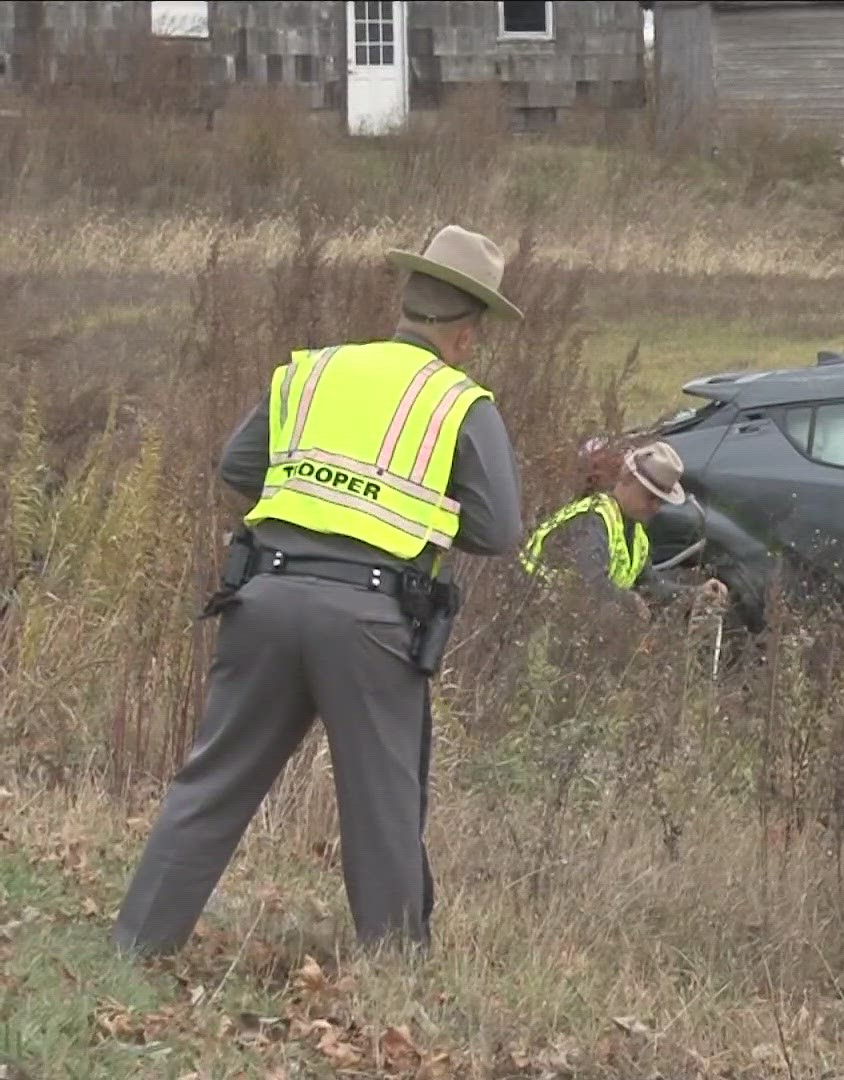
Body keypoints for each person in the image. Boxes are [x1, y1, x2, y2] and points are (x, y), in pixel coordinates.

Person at [112, 225, 526, 957]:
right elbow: (497, 530)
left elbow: (240, 463)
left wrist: (317, 499)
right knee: (381, 807)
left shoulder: (311, 371)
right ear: (467, 330)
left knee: (213, 784)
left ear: (405, 306)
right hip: (371, 621)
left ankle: (136, 948)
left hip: (263, 601)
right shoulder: (462, 404)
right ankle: (393, 976)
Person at [519, 439, 729, 614]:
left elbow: (650, 586)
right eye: (650, 497)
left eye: (661, 501)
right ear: (627, 478)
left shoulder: (635, 533)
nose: (655, 507)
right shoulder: (591, 520)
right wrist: (628, 602)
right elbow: (587, 585)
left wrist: (695, 593)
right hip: (530, 613)